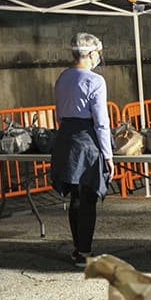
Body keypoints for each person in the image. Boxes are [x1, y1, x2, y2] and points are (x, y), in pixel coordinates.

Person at [50, 33, 113, 268]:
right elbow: (101, 121)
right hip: (87, 141)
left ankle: (78, 248)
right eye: (97, 52)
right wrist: (107, 154)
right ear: (90, 54)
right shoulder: (95, 81)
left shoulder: (63, 77)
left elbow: (59, 113)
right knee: (88, 197)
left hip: (66, 138)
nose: (99, 57)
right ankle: (85, 252)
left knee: (76, 197)